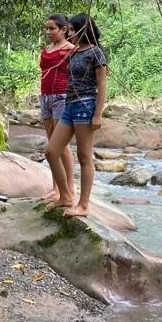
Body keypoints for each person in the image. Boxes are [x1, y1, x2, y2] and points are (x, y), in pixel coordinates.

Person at [45, 13, 107, 218]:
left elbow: (102, 84)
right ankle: (65, 196)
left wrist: (98, 113)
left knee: (84, 156)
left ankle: (83, 205)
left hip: (86, 104)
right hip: (69, 105)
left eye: (72, 30)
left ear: (82, 30)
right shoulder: (74, 52)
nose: (69, 34)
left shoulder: (96, 53)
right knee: (52, 151)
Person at [39, 14, 75, 205]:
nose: (49, 32)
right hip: (45, 96)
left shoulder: (70, 49)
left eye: (52, 28)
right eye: (47, 28)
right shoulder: (46, 49)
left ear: (63, 30)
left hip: (62, 96)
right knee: (51, 144)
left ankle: (68, 188)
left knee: (61, 145)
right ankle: (55, 188)